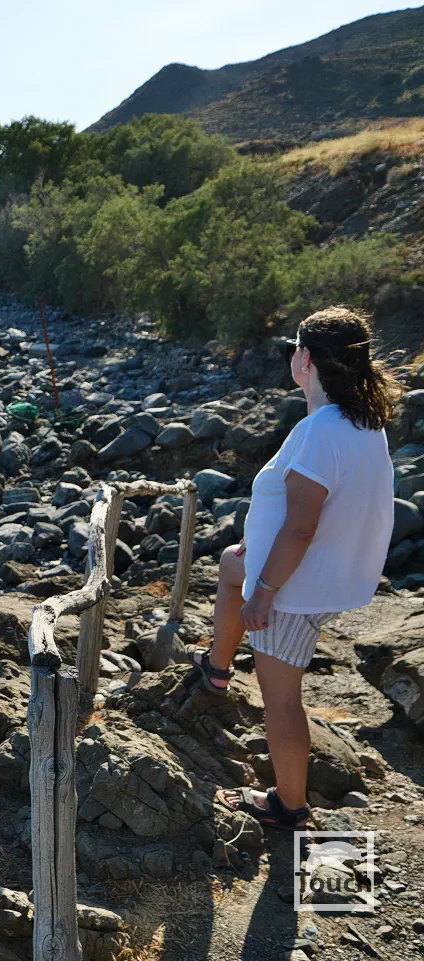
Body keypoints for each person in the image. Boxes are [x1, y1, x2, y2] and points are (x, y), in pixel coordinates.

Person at [186, 306, 401, 829]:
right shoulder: (361, 422)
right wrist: (257, 549)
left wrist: (265, 592)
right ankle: (217, 670)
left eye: (294, 349)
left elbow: (302, 527)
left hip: (294, 588)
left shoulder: (321, 431)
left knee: (280, 700)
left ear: (305, 359)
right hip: (320, 572)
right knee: (231, 564)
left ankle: (289, 806)